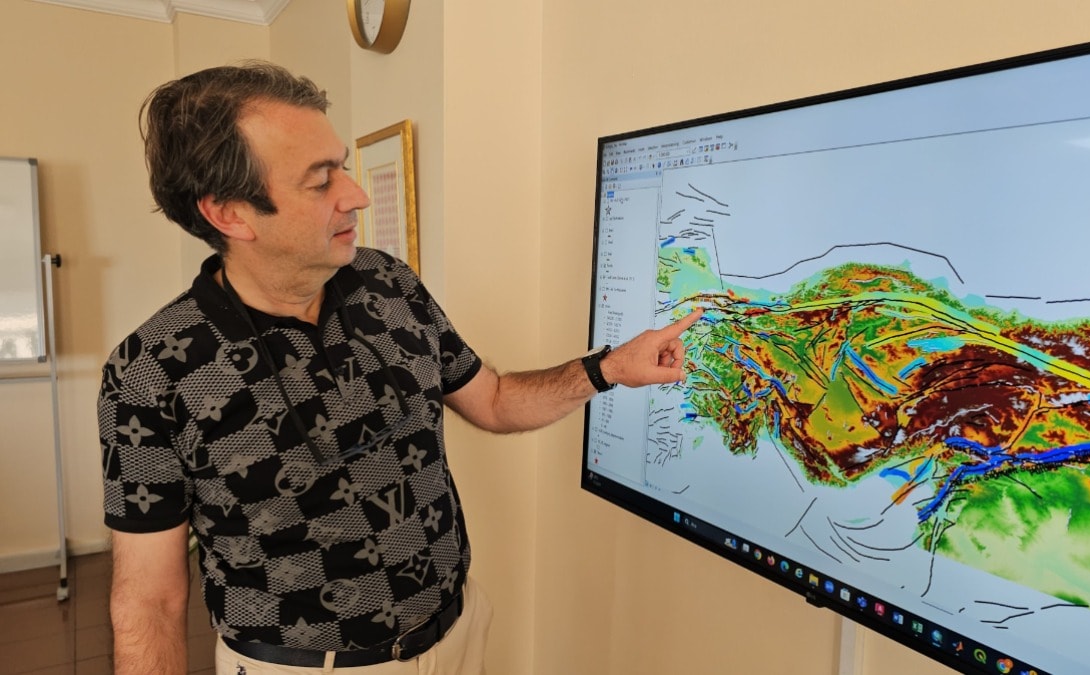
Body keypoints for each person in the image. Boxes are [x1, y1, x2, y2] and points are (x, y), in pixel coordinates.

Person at [97, 61, 703, 675]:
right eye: (320, 181)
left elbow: (493, 400)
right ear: (230, 214)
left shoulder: (387, 282)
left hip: (457, 634)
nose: (355, 194)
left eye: (342, 166)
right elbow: (150, 600)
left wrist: (607, 369)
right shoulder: (150, 372)